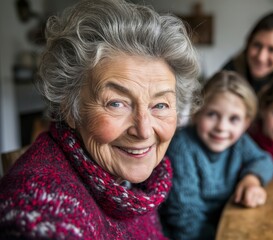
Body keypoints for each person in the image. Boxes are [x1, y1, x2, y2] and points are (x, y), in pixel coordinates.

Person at [0, 0, 200, 239]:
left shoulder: (128, 182)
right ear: (69, 108)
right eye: (116, 103)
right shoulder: (40, 210)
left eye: (160, 105)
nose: (144, 131)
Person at [159, 70, 273, 240]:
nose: (222, 127)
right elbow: (185, 215)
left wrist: (252, 179)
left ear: (246, 123)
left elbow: (264, 160)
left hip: (226, 223)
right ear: (197, 112)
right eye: (212, 114)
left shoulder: (240, 142)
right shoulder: (182, 147)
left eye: (234, 119)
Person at [222, 12, 273, 93]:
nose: (261, 57)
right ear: (248, 43)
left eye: (272, 49)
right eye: (257, 45)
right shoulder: (230, 71)